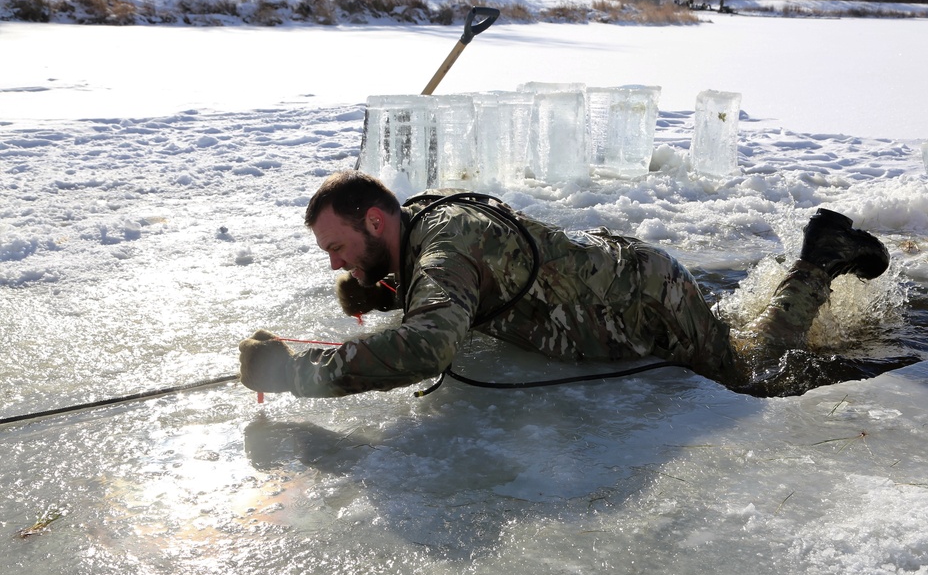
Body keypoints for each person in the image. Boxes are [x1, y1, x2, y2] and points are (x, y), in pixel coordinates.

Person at [238, 170, 889, 398]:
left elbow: (429, 346)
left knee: (751, 373)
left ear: (376, 219)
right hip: (620, 276)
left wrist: (298, 369)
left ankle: (821, 258)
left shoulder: (445, 248)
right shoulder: (423, 220)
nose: (333, 264)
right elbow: (466, 276)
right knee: (734, 339)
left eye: (338, 248)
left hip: (642, 299)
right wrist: (383, 285)